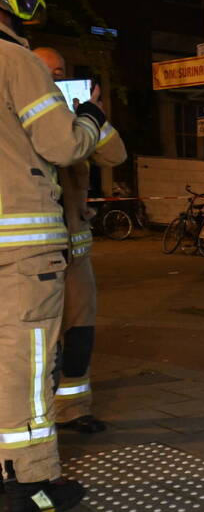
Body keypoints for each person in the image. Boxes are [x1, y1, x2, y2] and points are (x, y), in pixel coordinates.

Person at [0, 0, 106, 512]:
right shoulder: (15, 61)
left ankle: (4, 468)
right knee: (28, 362)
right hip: (22, 252)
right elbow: (63, 146)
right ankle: (33, 486)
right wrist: (87, 116)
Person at [32, 46, 127, 435]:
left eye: (60, 72)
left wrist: (90, 115)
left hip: (76, 257)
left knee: (80, 334)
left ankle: (73, 409)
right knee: (38, 343)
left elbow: (116, 155)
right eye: (47, 73)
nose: (55, 79)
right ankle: (33, 417)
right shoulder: (22, 116)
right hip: (34, 254)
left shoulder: (77, 121)